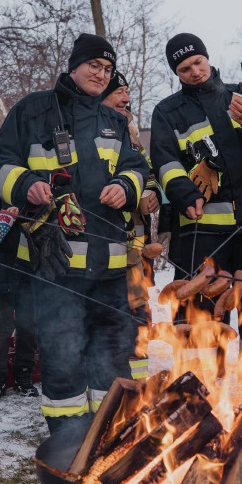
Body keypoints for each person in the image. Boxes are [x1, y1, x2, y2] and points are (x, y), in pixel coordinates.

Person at [0, 33, 148, 437]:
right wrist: (25, 185)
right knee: (62, 359)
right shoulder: (32, 110)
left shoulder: (114, 121)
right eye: (94, 65)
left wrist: (126, 186)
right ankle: (68, 442)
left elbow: (138, 168)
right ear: (74, 65)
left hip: (110, 269)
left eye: (107, 69)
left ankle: (107, 438)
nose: (101, 74)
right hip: (54, 267)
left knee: (111, 358)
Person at [149, 33, 242, 398]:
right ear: (176, 73)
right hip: (201, 231)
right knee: (198, 313)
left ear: (207, 58)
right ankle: (197, 390)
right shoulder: (167, 111)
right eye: (184, 68)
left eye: (197, 62)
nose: (194, 71)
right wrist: (185, 192)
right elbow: (164, 160)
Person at [102, 70, 162, 382]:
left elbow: (147, 173)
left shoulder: (131, 132)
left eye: (127, 92)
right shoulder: (90, 132)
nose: (126, 98)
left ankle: (137, 387)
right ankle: (112, 386)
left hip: (135, 253)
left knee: (139, 317)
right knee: (110, 320)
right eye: (119, 92)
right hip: (102, 248)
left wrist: (151, 193)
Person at [0, 202, 38, 402]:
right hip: (0, 270)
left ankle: (24, 375)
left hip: (29, 272)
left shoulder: (32, 192)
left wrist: (24, 212)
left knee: (28, 326)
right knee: (0, 327)